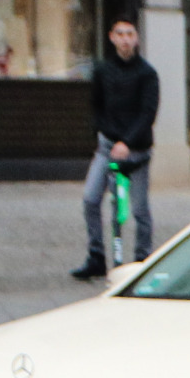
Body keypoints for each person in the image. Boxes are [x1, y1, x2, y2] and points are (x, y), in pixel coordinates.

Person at [74, 17, 160, 281]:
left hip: (136, 150)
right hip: (107, 146)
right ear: (112, 37)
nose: (125, 39)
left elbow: (148, 112)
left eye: (130, 34)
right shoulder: (103, 70)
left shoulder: (147, 73)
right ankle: (96, 256)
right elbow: (96, 105)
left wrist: (127, 142)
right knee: (90, 198)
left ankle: (142, 259)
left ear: (136, 38)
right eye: (120, 34)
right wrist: (104, 133)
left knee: (138, 208)